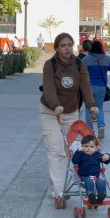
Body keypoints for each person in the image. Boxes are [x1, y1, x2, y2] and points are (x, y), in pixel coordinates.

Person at [40, 32, 98, 203]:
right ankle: (59, 191)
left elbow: (85, 86)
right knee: (56, 150)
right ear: (57, 48)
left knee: (70, 150)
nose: (67, 48)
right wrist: (54, 104)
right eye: (63, 45)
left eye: (70, 45)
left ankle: (60, 182)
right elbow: (48, 88)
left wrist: (91, 105)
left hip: (71, 112)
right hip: (50, 111)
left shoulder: (80, 64)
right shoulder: (50, 65)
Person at [82, 40, 110, 139]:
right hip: (101, 87)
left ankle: (89, 131)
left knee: (88, 109)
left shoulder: (86, 59)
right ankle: (101, 126)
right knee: (99, 107)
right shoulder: (106, 58)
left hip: (88, 87)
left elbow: (79, 69)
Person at [72, 135, 110, 204]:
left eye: (91, 147)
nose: (88, 148)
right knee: (89, 181)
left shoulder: (98, 155)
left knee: (101, 181)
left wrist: (107, 156)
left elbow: (106, 161)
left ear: (96, 148)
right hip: (84, 176)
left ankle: (101, 195)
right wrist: (78, 151)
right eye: (86, 146)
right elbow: (75, 161)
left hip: (96, 176)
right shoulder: (81, 154)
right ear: (82, 146)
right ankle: (90, 194)